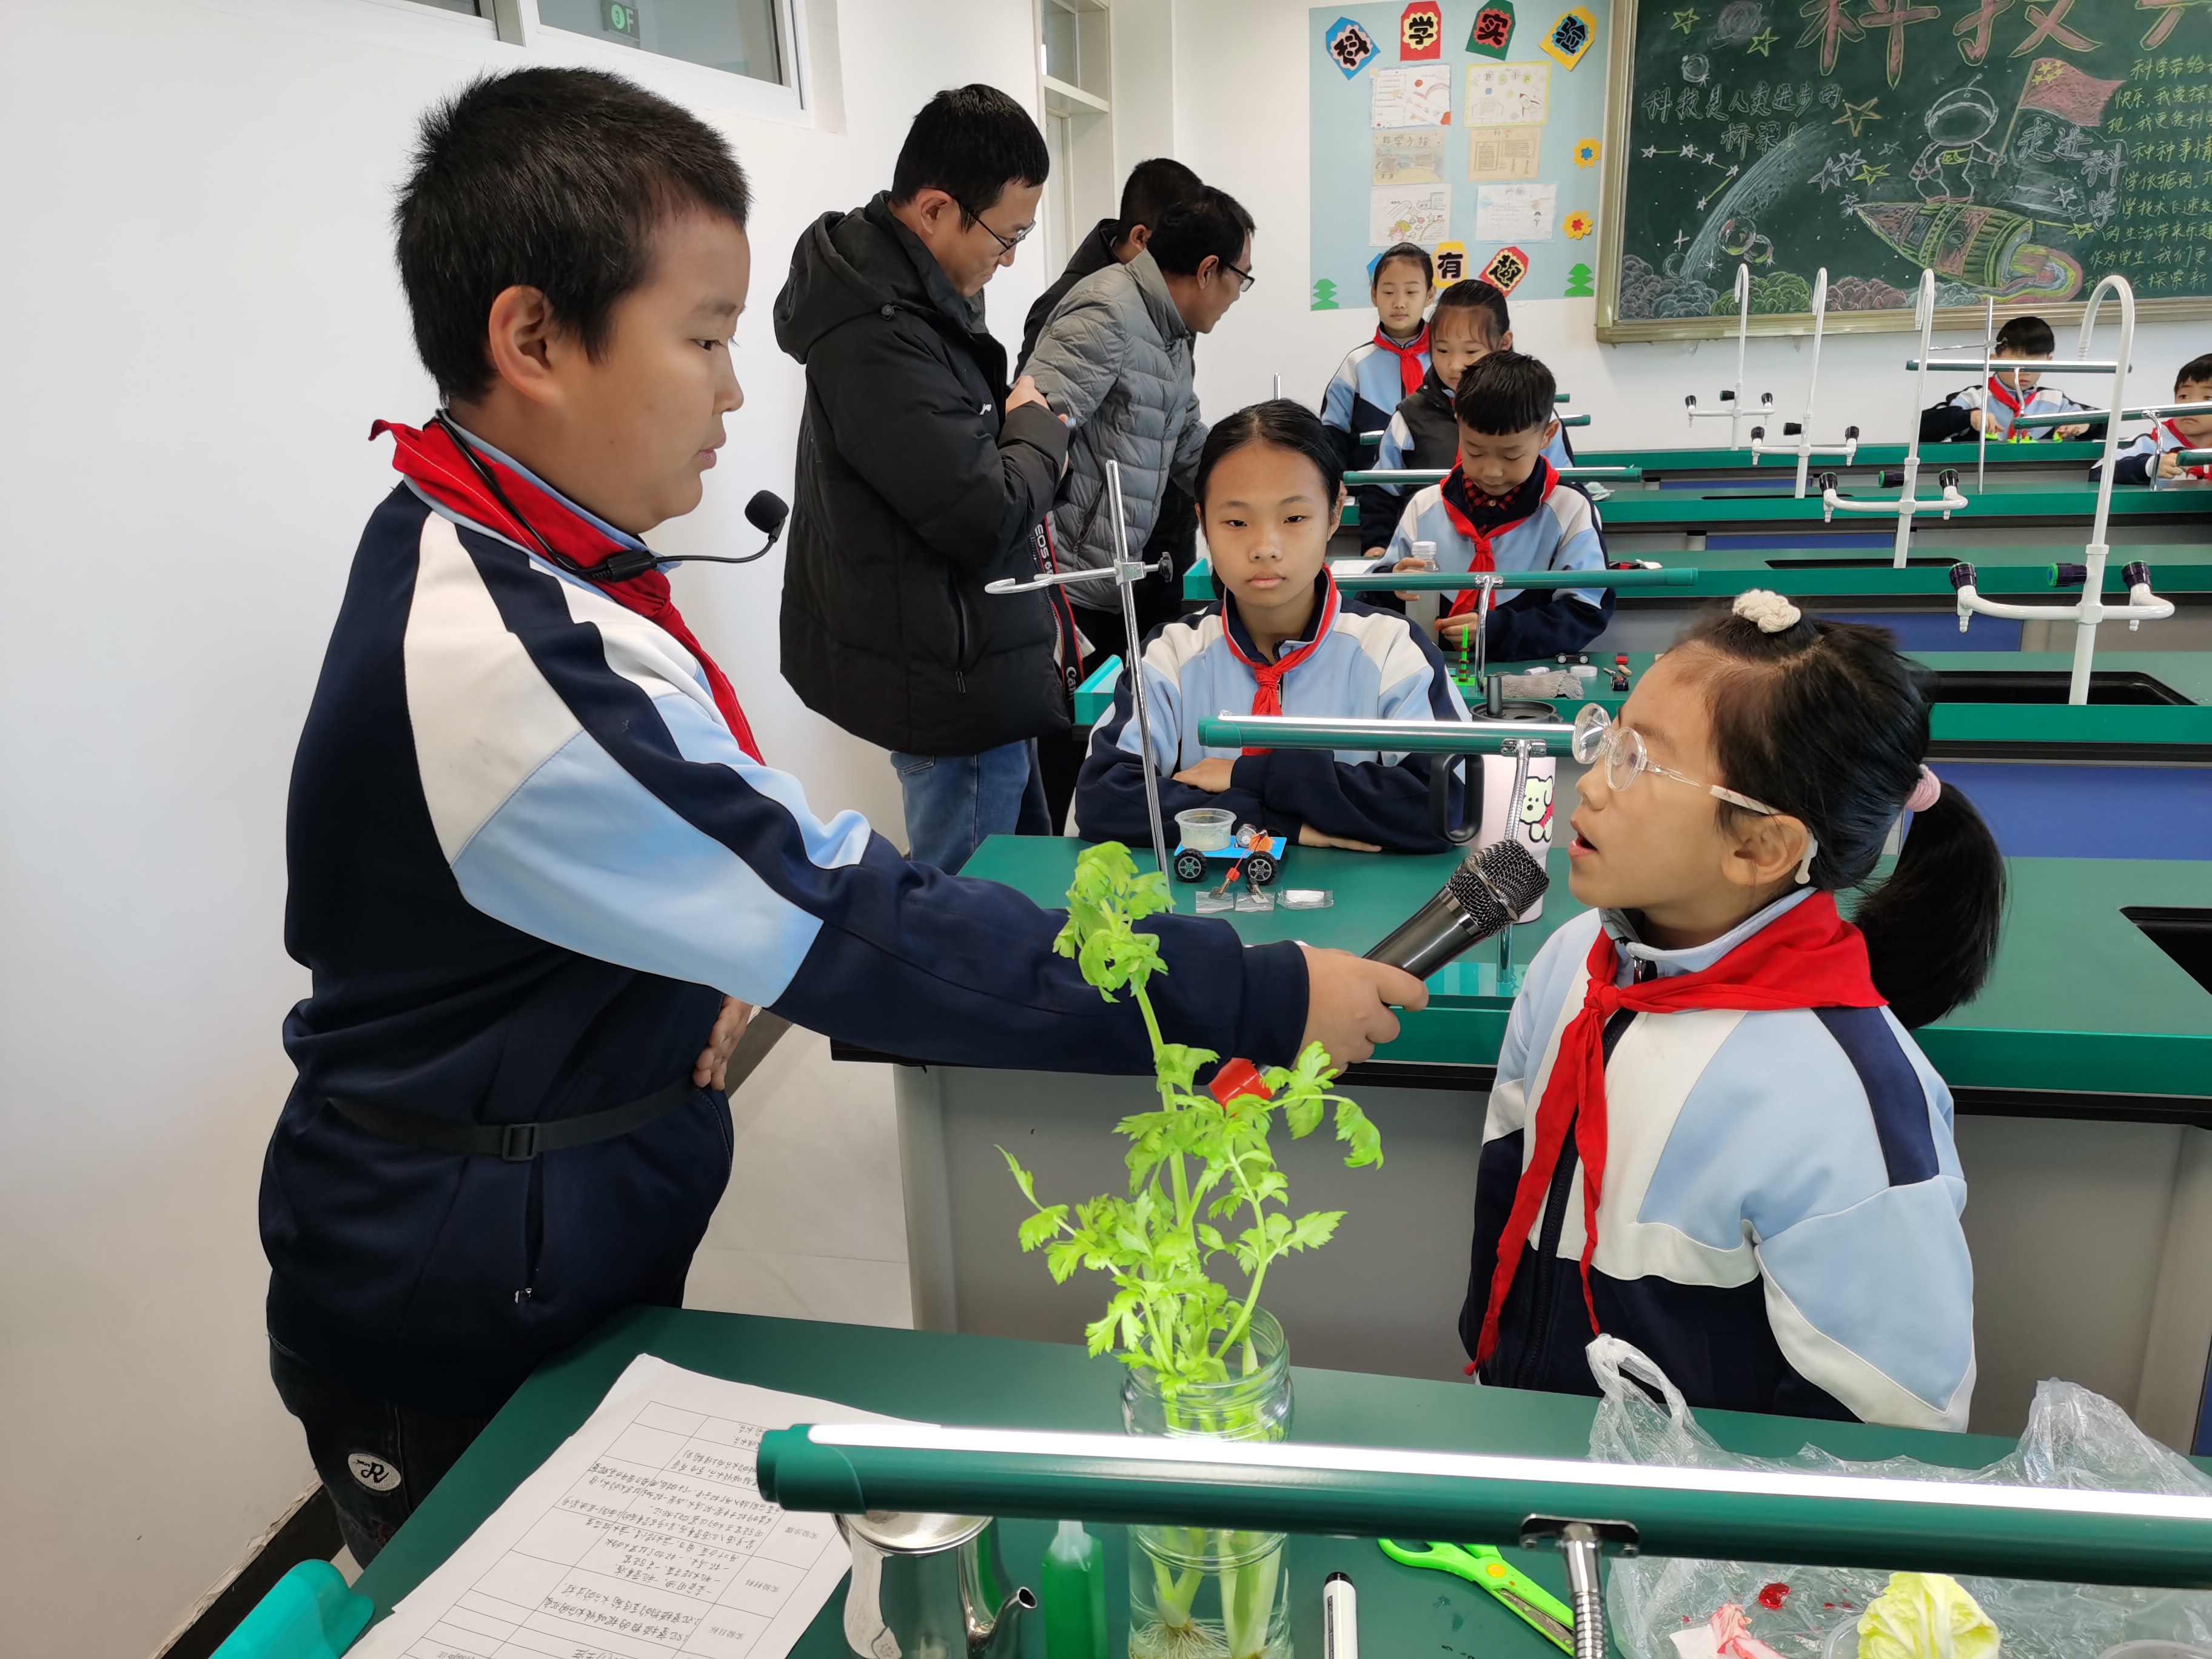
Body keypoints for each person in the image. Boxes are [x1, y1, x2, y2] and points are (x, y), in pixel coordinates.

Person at [263, 67, 1424, 1569]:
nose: (734, 391)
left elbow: (637, 863)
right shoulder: (501, 652)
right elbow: (860, 922)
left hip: (540, 1228)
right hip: (452, 1294)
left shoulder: (504, 546)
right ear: (533, 339)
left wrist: (678, 956)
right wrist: (1253, 992)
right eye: (702, 338)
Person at [1462, 592, 2005, 1429]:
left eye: (1639, 762)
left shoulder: (1843, 1098)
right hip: (1523, 1446)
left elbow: (1895, 1429)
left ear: (1760, 846)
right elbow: (1510, 1174)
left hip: (1686, 1508)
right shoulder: (1574, 958)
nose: (1591, 784)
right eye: (1610, 738)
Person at [776, 85, 1068, 874]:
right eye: (1007, 236)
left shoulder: (922, 296)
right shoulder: (878, 333)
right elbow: (982, 510)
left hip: (978, 653)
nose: (1010, 258)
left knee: (1023, 882)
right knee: (966, 902)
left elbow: (964, 463)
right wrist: (1039, 432)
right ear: (936, 209)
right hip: (951, 680)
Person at [1074, 400, 1467, 856]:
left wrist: (1249, 776)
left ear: (1334, 512)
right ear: (1203, 523)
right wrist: (1276, 823)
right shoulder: (1172, 655)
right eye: (1236, 522)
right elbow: (1107, 799)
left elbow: (1446, 807)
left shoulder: (1393, 649)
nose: (1265, 547)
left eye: (1294, 518)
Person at [1023, 185, 1256, 675]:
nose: (1239, 294)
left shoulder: (1169, 329)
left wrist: (1255, 487)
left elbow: (1185, 438)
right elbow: (1032, 435)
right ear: (1208, 270)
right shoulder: (1107, 313)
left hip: (1111, 578)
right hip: (1064, 584)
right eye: (1242, 277)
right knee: (1078, 721)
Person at [1381, 351, 1611, 662]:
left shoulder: (1570, 510)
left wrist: (1498, 630)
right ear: (1458, 425)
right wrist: (1392, 584)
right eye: (1475, 452)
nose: (1491, 471)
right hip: (1431, 672)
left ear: (1547, 436)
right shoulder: (1425, 506)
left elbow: (1585, 611)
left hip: (1533, 675)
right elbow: (1377, 597)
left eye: (1511, 456)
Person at [1353, 278, 1574, 565]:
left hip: (1524, 561)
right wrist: (1379, 548)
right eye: (1443, 350)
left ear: (1504, 343)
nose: (1455, 365)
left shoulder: (1533, 416)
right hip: (1432, 565)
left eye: (1470, 351)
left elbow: (1566, 493)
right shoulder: (1410, 416)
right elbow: (1382, 490)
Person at [1020, 156, 1204, 368]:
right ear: (1141, 238)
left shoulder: (1176, 299)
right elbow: (1031, 389)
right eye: (1185, 247)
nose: (1191, 264)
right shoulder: (1062, 305)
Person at [1321, 242, 1433, 468]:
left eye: (1411, 292)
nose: (1399, 303)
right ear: (1374, 295)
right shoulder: (1356, 365)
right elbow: (1332, 434)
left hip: (1437, 484)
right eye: (1389, 292)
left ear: (1430, 295)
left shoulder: (1444, 361)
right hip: (1370, 485)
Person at [1919, 315, 2094, 443]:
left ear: (2049, 362)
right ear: (1995, 361)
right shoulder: (1974, 398)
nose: (2024, 373)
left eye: (2034, 365)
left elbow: (2103, 422)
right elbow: (1922, 427)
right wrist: (1969, 417)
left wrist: (2086, 425)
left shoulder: (2056, 401)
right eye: (2015, 365)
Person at [2097, 353, 2212, 482]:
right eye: (2184, 396)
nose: (2190, 405)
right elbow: (2099, 470)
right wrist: (2149, 466)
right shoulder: (2150, 443)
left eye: (2208, 398)